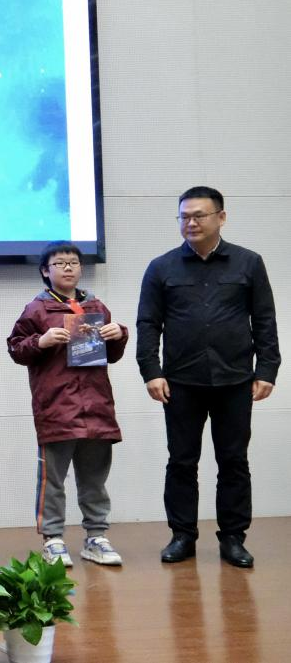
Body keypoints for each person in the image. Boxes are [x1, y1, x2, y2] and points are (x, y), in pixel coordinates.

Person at [137, 186, 279, 568]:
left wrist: (267, 369)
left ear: (221, 217)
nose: (191, 223)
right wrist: (151, 371)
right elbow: (148, 323)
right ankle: (182, 536)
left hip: (235, 379)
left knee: (233, 461)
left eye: (199, 215)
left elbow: (264, 319)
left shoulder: (249, 263)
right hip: (180, 382)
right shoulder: (161, 267)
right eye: (184, 216)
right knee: (182, 461)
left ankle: (233, 538)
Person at [7, 241, 128, 568]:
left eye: (73, 262)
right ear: (45, 271)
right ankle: (53, 539)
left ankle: (96, 537)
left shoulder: (96, 306)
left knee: (95, 479)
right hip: (57, 408)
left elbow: (112, 355)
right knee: (53, 480)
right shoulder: (36, 309)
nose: (68, 267)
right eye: (60, 263)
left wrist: (119, 335)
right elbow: (16, 349)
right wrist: (41, 341)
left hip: (97, 407)